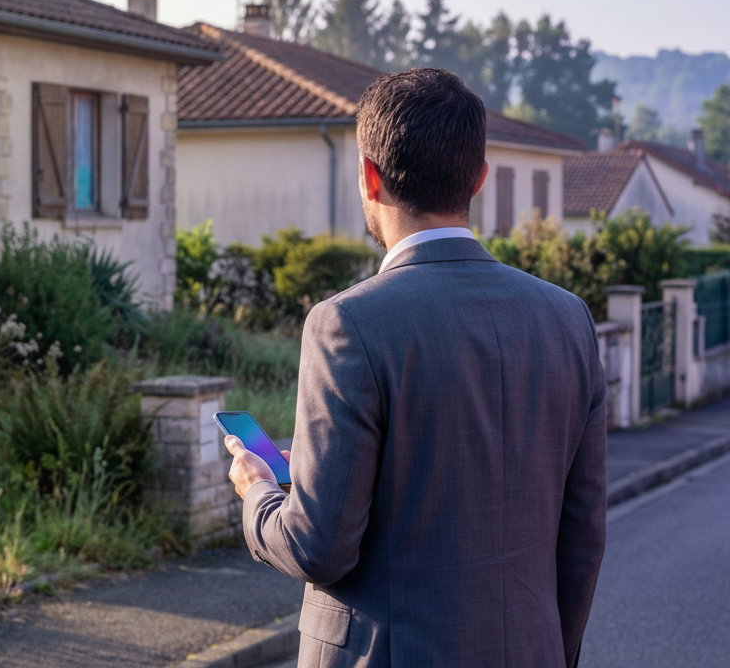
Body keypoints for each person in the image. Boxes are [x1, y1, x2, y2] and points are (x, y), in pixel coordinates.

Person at [224, 68, 607, 668]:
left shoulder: (345, 323)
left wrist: (259, 492)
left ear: (369, 176)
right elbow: (583, 537)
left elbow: (317, 547)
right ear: (478, 178)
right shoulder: (568, 318)